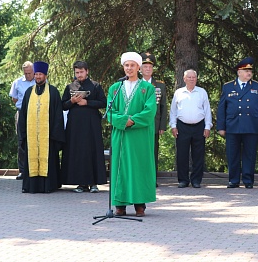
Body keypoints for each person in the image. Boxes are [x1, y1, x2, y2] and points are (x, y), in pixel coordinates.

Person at [107, 52, 156, 217]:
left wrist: (132, 121)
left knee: (138, 166)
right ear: (123, 67)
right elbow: (109, 112)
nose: (129, 68)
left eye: (132, 65)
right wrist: (122, 121)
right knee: (120, 167)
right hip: (120, 134)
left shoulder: (147, 88)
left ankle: (139, 204)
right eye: (126, 65)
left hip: (139, 135)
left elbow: (150, 111)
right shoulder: (115, 88)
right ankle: (120, 204)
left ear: (138, 67)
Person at [217, 57, 258, 189]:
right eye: (246, 70)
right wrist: (221, 127)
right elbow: (222, 108)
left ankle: (248, 180)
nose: (249, 73)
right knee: (232, 154)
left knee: (249, 155)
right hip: (232, 126)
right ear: (239, 72)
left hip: (251, 125)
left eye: (250, 70)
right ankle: (233, 180)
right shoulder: (228, 87)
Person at [18, 61, 65, 193]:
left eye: (40, 74)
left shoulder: (53, 92)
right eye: (36, 74)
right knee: (31, 159)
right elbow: (23, 115)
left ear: (45, 75)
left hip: (48, 137)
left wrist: (55, 135)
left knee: (48, 160)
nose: (38, 77)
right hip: (32, 136)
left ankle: (48, 186)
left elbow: (58, 116)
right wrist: (23, 134)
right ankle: (30, 186)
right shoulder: (28, 92)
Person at [61, 60, 107, 193]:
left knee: (92, 151)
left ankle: (93, 183)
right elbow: (63, 105)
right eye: (77, 72)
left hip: (91, 124)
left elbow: (103, 102)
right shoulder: (70, 86)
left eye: (81, 72)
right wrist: (72, 101)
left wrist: (87, 102)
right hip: (75, 125)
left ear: (87, 71)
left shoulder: (95, 86)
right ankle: (80, 183)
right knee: (77, 152)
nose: (79, 75)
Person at [169, 69, 212, 188]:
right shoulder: (178, 92)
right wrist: (173, 126)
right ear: (184, 79)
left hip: (199, 126)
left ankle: (196, 180)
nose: (192, 79)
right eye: (189, 77)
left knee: (198, 154)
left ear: (196, 79)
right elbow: (173, 111)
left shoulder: (202, 92)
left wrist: (207, 126)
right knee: (182, 154)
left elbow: (207, 110)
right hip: (182, 126)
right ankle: (183, 180)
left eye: (194, 77)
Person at [140, 52, 167, 186]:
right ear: (140, 68)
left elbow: (163, 106)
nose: (148, 69)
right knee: (139, 151)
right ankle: (139, 178)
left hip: (154, 124)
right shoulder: (136, 84)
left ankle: (152, 179)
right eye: (145, 66)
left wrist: (162, 126)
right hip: (138, 124)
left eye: (150, 67)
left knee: (152, 152)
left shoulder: (160, 85)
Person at [9, 61, 35, 180]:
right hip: (22, 113)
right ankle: (22, 170)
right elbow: (14, 98)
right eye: (26, 73)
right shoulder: (17, 82)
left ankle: (35, 168)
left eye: (30, 73)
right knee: (21, 141)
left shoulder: (39, 80)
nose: (28, 75)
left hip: (36, 113)